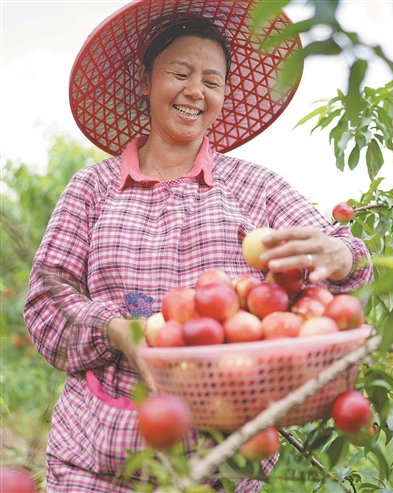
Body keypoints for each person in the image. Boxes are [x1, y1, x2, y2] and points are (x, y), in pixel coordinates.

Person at [24, 1, 373, 492]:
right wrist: (118, 330)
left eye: (211, 81)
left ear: (224, 95)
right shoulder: (93, 188)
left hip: (222, 464)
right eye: (180, 73)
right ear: (145, 81)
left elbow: (342, 254)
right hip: (94, 461)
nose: (195, 91)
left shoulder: (255, 188)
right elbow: (46, 301)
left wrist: (341, 257)